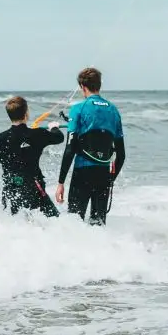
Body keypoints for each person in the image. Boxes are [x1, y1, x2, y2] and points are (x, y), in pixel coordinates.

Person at [56, 67, 125, 225]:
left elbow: (70, 148)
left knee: (74, 225)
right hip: (103, 174)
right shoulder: (114, 111)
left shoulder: (78, 109)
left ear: (82, 87)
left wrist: (60, 183)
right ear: (99, 85)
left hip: (83, 173)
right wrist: (110, 179)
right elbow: (121, 155)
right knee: (98, 225)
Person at [0, 95, 65, 217]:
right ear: (26, 114)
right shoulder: (37, 134)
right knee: (53, 220)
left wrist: (5, 158)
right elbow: (59, 138)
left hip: (10, 187)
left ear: (9, 115)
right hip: (34, 186)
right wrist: (54, 128)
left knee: (16, 222)